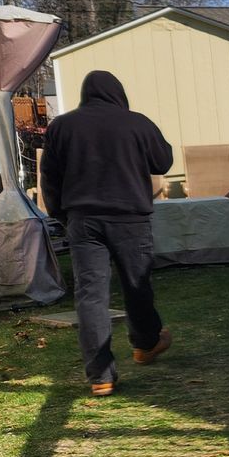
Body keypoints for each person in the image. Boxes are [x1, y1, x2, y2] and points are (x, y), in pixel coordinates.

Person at [41, 69, 175, 396]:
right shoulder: (136, 123)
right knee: (136, 284)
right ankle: (145, 344)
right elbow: (163, 161)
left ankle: (100, 375)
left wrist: (63, 216)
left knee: (90, 295)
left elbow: (50, 179)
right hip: (130, 220)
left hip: (83, 221)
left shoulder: (61, 126)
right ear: (118, 93)